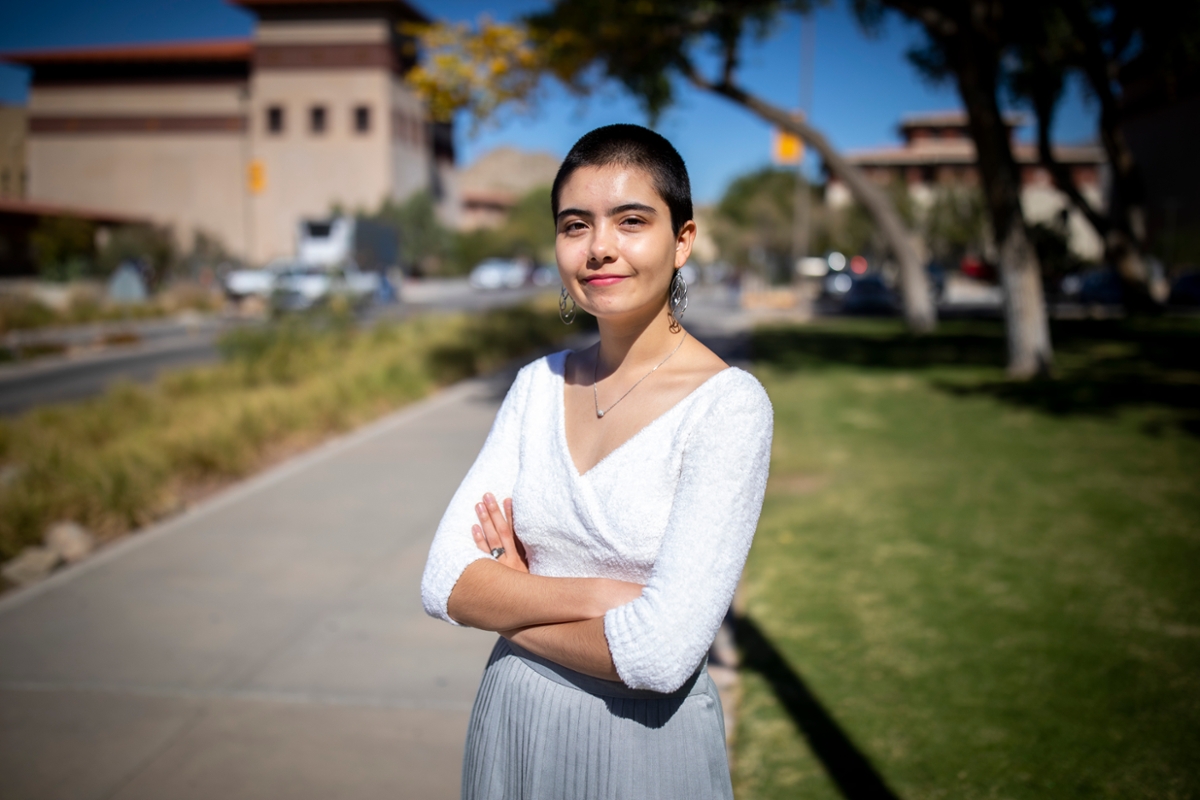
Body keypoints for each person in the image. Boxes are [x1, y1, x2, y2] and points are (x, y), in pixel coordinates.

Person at [421, 124, 773, 799]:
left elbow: (661, 655)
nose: (599, 248)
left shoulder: (729, 408)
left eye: (631, 220)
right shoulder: (535, 387)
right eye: (575, 225)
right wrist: (604, 598)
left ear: (683, 241)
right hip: (513, 726)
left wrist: (510, 598)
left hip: (644, 748)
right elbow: (444, 582)